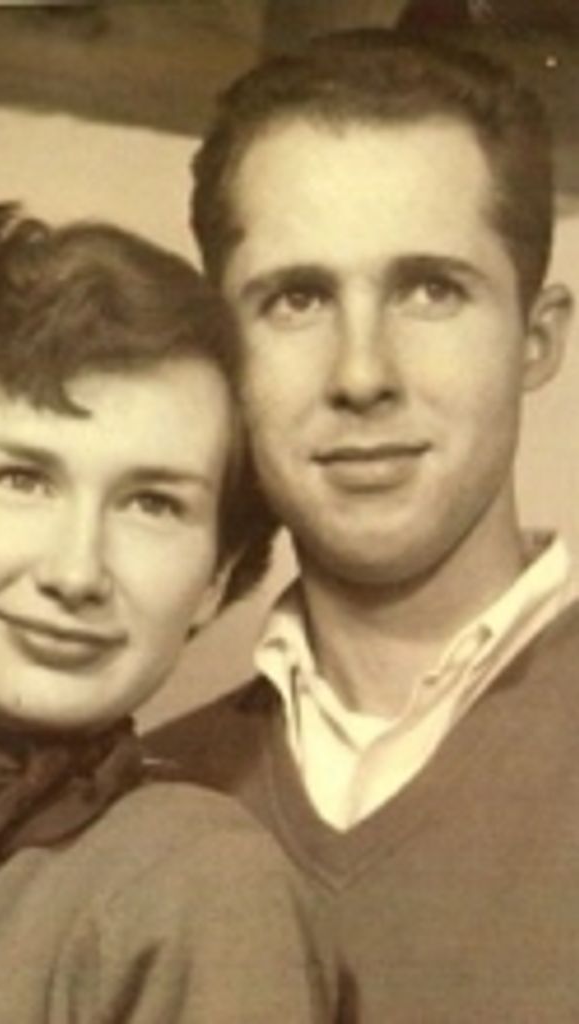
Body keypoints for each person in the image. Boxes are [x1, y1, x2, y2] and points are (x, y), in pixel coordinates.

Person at [0, 203, 331, 1022]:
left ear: (216, 576)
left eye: (151, 503)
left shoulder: (196, 882)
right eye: (22, 479)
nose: (76, 572)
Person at [147, 28, 579, 1021]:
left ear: (536, 338)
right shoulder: (138, 805)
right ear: (220, 354)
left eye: (429, 290)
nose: (359, 374)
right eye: (296, 299)